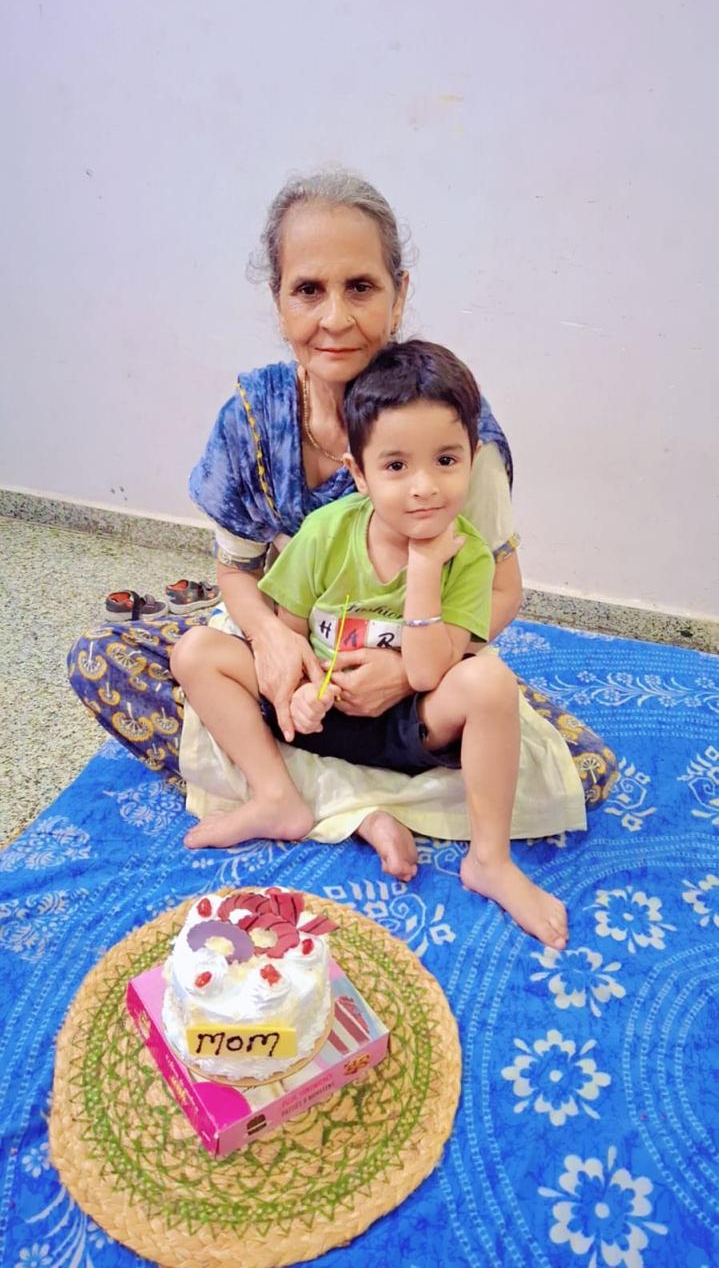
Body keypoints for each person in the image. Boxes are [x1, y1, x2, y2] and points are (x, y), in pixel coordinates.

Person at [67, 169, 617, 867]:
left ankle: (326, 792)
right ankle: (345, 805)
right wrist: (271, 638)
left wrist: (406, 669)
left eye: (360, 287)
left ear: (398, 294)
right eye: (308, 290)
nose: (334, 318)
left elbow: (501, 589)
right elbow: (236, 572)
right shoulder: (251, 419)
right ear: (278, 301)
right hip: (302, 654)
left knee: (581, 768)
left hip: (417, 656)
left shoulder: (452, 437)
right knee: (103, 658)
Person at [171, 340, 567, 950]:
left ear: (472, 458)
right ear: (358, 474)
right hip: (321, 714)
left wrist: (425, 569)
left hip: (409, 725)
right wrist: (299, 696)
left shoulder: (464, 554)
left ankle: (489, 860)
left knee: (491, 682)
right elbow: (289, 631)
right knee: (196, 651)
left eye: (446, 460)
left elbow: (430, 672)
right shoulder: (326, 532)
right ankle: (278, 796)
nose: (424, 487)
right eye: (396, 466)